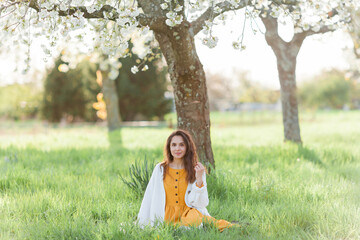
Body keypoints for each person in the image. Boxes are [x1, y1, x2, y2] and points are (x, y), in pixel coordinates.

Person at [137, 129, 236, 231]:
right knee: (176, 229)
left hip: (188, 214)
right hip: (165, 215)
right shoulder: (160, 169)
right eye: (174, 145)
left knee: (199, 223)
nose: (177, 148)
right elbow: (149, 197)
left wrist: (199, 180)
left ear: (188, 147)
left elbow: (201, 203)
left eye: (182, 145)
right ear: (169, 148)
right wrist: (142, 221)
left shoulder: (196, 169)